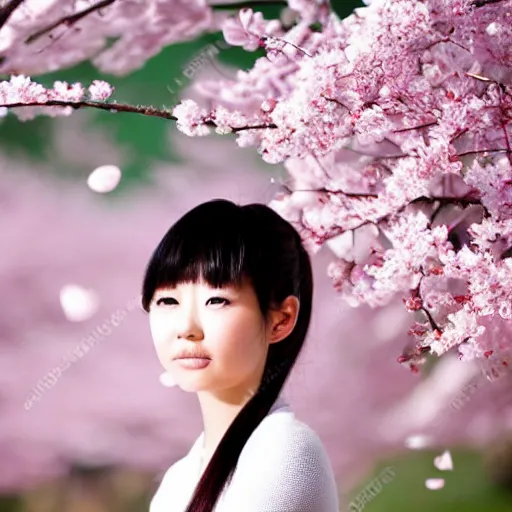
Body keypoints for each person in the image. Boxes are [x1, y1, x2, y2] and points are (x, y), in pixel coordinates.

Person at [142, 198, 339, 512]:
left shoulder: (287, 452)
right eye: (168, 301)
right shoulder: (177, 481)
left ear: (282, 318)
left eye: (217, 300)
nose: (187, 328)